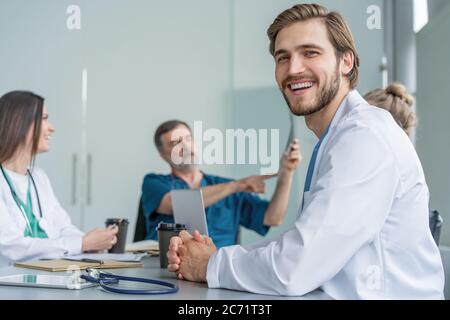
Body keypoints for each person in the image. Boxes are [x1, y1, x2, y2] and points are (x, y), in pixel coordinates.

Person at [166, 4, 444, 299]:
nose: (293, 68)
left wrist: (211, 264)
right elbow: (301, 241)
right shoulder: (335, 138)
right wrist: (214, 257)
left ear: (346, 61)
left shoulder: (364, 137)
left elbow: (294, 269)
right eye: (282, 57)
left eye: (310, 52)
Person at [0, 91, 118, 266]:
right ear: (19, 123)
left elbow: (63, 227)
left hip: (44, 277)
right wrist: (81, 244)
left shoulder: (38, 177)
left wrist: (90, 243)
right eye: (45, 118)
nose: (51, 127)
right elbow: (10, 247)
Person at [140, 120, 301, 248]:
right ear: (163, 156)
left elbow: (272, 218)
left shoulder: (227, 186)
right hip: (164, 272)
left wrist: (286, 173)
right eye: (175, 144)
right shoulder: (154, 183)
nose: (186, 146)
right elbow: (176, 203)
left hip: (215, 273)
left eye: (188, 139)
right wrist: (237, 185)